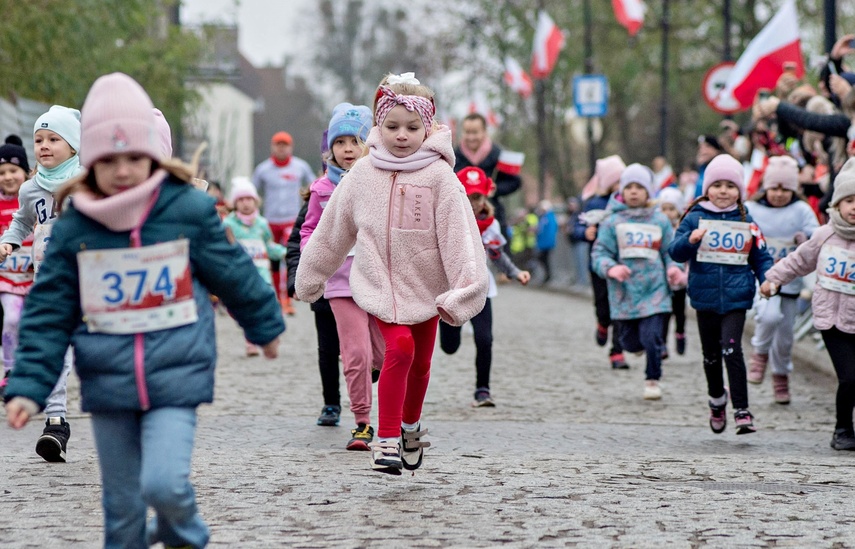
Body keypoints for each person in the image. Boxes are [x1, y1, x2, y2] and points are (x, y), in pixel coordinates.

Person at [3, 72, 285, 548]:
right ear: (89, 159)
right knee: (122, 516)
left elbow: (232, 272)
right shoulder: (78, 225)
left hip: (175, 376)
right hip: (108, 383)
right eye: (108, 159)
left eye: (135, 156)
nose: (123, 170)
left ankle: (185, 532)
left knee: (163, 485)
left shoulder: (187, 210)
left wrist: (264, 326)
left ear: (154, 154)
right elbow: (48, 311)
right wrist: (29, 384)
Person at [296, 72, 489, 475]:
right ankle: (385, 440)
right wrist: (310, 275)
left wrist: (463, 291)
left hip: (426, 288)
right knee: (399, 349)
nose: (402, 135)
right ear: (378, 128)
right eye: (392, 126)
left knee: (420, 363)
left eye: (412, 127)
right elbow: (333, 231)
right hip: (379, 284)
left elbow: (460, 239)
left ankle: (410, 425)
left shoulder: (440, 178)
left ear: (428, 128)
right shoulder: (362, 175)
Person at [0, 105, 83, 462]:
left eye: (54, 139)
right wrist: (9, 240)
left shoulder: (87, 183)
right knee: (56, 350)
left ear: (74, 146)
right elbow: (21, 221)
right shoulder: (31, 189)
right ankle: (56, 421)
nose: (44, 145)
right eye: (39, 139)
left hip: (90, 279)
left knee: (99, 351)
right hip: (52, 283)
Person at [300, 102, 385, 451]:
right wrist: (312, 257)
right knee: (356, 354)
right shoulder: (321, 190)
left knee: (384, 354)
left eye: (355, 141)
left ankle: (368, 370)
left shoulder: (381, 181)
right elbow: (308, 231)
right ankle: (362, 423)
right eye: (340, 142)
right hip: (340, 283)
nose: (347, 149)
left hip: (377, 279)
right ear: (330, 149)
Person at [669, 154, 774, 435]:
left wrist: (767, 279)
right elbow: (674, 251)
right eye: (718, 185)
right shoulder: (694, 217)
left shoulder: (746, 219)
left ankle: (742, 410)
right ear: (707, 189)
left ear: (739, 190)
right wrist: (690, 242)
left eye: (730, 185)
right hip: (704, 297)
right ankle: (717, 400)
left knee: (732, 349)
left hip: (737, 297)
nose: (723, 191)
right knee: (711, 355)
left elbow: (761, 256)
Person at [760, 158, 855, 450]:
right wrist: (773, 279)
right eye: (849, 201)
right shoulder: (824, 235)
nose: (854, 208)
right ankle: (842, 430)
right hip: (831, 320)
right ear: (837, 204)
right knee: (850, 377)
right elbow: (799, 260)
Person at [440, 166, 530, 407]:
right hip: (450, 290)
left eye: (478, 197)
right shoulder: (445, 222)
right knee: (449, 347)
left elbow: (498, 255)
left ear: (485, 198)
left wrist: (515, 272)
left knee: (485, 338)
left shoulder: (490, 225)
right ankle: (450, 334)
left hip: (481, 290)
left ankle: (483, 389)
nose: (473, 202)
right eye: (468, 196)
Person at [591, 164, 682, 400]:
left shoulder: (660, 220)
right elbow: (599, 253)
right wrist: (612, 268)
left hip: (655, 290)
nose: (633, 192)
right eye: (629, 187)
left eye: (639, 187)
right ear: (621, 190)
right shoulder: (612, 222)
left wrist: (673, 268)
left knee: (652, 337)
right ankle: (637, 347)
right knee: (630, 343)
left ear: (649, 192)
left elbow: (670, 251)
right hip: (625, 293)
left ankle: (653, 379)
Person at [745, 155, 820, 405]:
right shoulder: (752, 209)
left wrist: (805, 238)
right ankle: (759, 353)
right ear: (765, 186)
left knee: (786, 336)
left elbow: (816, 235)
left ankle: (780, 377)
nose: (778, 194)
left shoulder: (800, 210)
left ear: (794, 189)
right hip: (761, 278)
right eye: (774, 187)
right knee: (768, 316)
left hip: (790, 282)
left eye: (785, 189)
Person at [252, 130, 316, 315]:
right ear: (273, 147)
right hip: (270, 221)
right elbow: (252, 191)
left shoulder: (300, 167)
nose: (281, 148)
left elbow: (314, 187)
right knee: (272, 261)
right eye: (278, 144)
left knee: (288, 258)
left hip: (291, 220)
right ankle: (276, 299)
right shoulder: (263, 169)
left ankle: (287, 299)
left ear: (290, 147)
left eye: (284, 145)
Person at [573, 155, 628, 369]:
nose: (620, 186)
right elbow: (575, 227)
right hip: (598, 264)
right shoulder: (593, 203)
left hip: (623, 264)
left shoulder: (626, 204)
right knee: (604, 304)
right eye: (616, 181)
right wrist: (585, 232)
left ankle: (617, 352)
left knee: (620, 308)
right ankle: (602, 323)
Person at [222, 177, 286, 356]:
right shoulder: (229, 224)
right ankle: (251, 338)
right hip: (241, 275)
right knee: (243, 310)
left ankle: (269, 335)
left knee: (266, 306)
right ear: (235, 203)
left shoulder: (262, 224)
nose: (245, 204)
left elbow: (268, 245)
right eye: (241, 200)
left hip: (262, 275)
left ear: (256, 201)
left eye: (249, 199)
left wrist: (284, 252)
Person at [454, 112, 521, 245]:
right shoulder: (453, 156)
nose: (471, 137)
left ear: (484, 132)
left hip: (492, 216)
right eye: (467, 132)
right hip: (461, 217)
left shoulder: (498, 154)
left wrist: (496, 189)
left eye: (475, 132)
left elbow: (515, 181)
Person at [0, 135, 34, 401]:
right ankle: (10, 372)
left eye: (13, 170)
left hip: (35, 278)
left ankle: (31, 373)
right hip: (8, 279)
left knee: (34, 326)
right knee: (11, 320)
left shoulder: (34, 200)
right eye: (2, 172)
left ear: (25, 171)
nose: (8, 177)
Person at [656, 187, 689, 357]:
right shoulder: (657, 230)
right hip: (661, 280)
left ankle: (680, 334)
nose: (667, 213)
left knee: (679, 311)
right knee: (664, 313)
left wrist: (685, 275)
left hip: (679, 280)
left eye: (671, 209)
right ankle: (661, 344)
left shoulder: (682, 230)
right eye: (664, 209)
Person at [693, 135, 724, 200]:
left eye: (707, 146)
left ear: (717, 150)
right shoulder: (702, 169)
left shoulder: (722, 170)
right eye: (700, 147)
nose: (703, 151)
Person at [534, 200, 558, 285]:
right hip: (543, 242)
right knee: (543, 259)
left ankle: (548, 276)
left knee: (544, 259)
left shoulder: (549, 217)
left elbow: (549, 231)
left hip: (546, 243)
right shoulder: (544, 217)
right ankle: (547, 276)